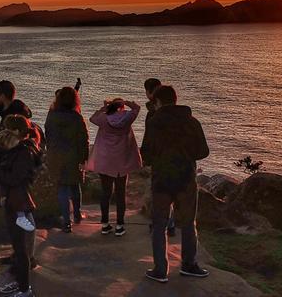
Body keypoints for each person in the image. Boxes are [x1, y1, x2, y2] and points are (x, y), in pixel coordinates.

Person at [140, 85, 210, 283]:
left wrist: (159, 158)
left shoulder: (154, 123)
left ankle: (160, 270)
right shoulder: (192, 122)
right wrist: (186, 156)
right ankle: (189, 264)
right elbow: (203, 151)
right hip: (186, 178)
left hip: (162, 179)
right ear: (176, 99)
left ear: (159, 102)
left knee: (160, 224)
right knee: (188, 223)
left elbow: (146, 154)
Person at [0, 114, 41, 297]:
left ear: (16, 131)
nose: (3, 131)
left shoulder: (24, 152)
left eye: (7, 129)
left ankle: (25, 290)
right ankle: (20, 283)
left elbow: (13, 179)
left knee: (21, 250)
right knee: (18, 248)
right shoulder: (20, 150)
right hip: (15, 204)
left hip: (19, 206)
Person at [0, 80, 41, 270]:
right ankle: (21, 255)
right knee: (19, 215)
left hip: (16, 172)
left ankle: (27, 259)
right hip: (15, 170)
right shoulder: (13, 113)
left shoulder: (14, 117)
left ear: (3, 95)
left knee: (24, 215)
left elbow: (13, 145)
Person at [89, 98, 143, 237]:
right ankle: (119, 226)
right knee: (120, 194)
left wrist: (105, 107)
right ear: (122, 107)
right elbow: (137, 108)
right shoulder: (127, 118)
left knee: (105, 193)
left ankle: (105, 224)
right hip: (122, 162)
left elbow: (92, 118)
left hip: (105, 161)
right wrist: (126, 101)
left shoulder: (103, 118)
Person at [44, 86, 89, 233]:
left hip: (55, 155)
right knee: (75, 185)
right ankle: (77, 214)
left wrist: (50, 151)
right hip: (73, 156)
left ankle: (66, 221)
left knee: (61, 187)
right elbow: (84, 140)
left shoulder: (52, 115)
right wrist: (84, 158)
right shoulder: (76, 117)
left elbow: (47, 135)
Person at [144, 78, 176, 237]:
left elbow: (149, 139)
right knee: (171, 194)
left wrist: (146, 156)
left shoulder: (153, 116)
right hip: (178, 161)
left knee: (158, 193)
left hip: (160, 160)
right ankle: (170, 224)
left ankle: (159, 224)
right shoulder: (182, 117)